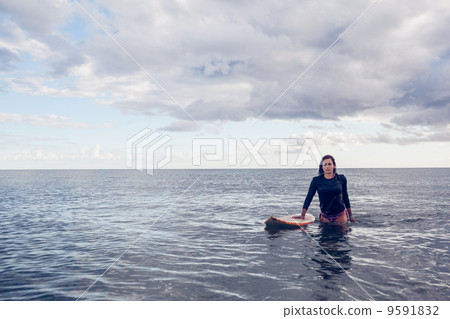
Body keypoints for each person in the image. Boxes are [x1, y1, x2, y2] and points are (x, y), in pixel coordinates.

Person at [299, 155, 354, 223]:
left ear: (334, 166)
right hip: (325, 216)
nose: (327, 166)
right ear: (322, 167)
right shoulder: (316, 180)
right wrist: (302, 214)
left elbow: (345, 197)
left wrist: (350, 215)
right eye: (325, 164)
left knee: (342, 233)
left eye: (329, 164)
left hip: (340, 215)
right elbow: (309, 197)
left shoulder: (341, 179)